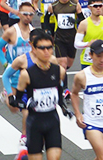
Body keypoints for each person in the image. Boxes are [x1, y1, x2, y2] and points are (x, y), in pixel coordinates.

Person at [11, 31, 72, 160]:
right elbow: (18, 101)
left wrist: (64, 108)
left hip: (52, 121)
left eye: (49, 48)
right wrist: (26, 103)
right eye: (42, 48)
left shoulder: (59, 71)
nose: (46, 51)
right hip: (35, 123)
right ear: (34, 49)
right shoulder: (27, 74)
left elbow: (59, 94)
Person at [44, 0, 82, 95]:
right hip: (59, 38)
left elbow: (82, 19)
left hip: (72, 38)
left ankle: (57, 73)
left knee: (68, 64)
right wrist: (48, 32)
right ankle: (65, 89)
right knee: (63, 64)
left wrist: (75, 21)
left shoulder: (75, 5)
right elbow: (46, 20)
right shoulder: (53, 6)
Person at [75, 0, 103, 69]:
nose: (98, 8)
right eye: (95, 6)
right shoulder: (84, 24)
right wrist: (88, 44)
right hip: (88, 61)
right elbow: (76, 44)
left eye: (100, 6)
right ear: (89, 7)